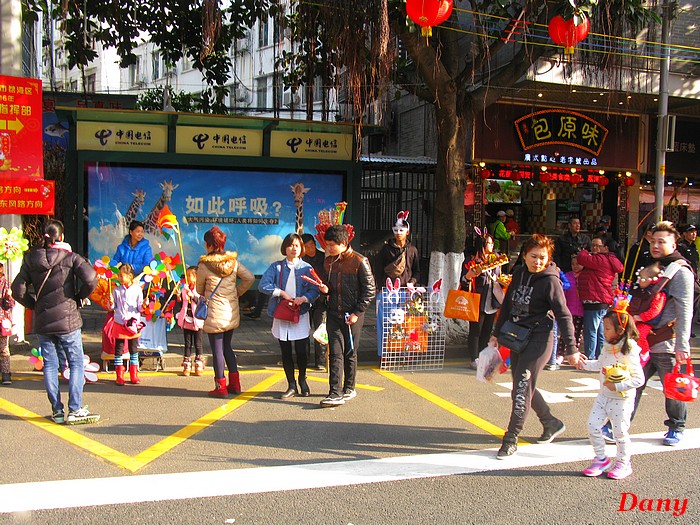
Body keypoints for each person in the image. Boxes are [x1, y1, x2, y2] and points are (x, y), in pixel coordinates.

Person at [490, 234, 581, 459]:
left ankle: (511, 438)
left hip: (540, 339)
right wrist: (495, 334)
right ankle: (551, 422)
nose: (538, 262)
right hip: (517, 336)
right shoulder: (519, 273)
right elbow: (509, 305)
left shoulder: (551, 281)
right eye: (533, 256)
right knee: (522, 386)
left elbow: (564, 314)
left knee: (521, 387)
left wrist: (571, 349)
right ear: (524, 256)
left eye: (543, 257)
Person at [11, 220, 100, 425]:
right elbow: (91, 278)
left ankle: (57, 411)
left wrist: (33, 304)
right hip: (68, 320)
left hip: (43, 320)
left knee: (50, 365)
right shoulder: (70, 258)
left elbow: (18, 290)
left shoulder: (31, 258)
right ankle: (75, 409)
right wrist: (79, 297)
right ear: (61, 237)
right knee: (76, 362)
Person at [627, 221, 693, 446]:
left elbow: (685, 309)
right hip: (641, 338)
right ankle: (618, 423)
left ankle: (677, 426)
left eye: (661, 242)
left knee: (671, 387)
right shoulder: (651, 265)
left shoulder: (680, 271)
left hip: (666, 339)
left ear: (674, 244)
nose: (655, 245)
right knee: (632, 383)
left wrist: (682, 344)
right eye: (653, 241)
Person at [578, 308, 644, 479]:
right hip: (603, 397)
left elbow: (639, 380)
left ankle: (624, 463)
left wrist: (618, 386)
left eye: (607, 328)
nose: (603, 331)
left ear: (620, 331)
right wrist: (583, 363)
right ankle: (601, 459)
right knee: (593, 426)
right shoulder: (607, 348)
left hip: (622, 400)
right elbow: (600, 364)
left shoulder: (630, 350)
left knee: (620, 433)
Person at [317, 225, 375, 407]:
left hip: (353, 315)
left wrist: (357, 313)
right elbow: (328, 286)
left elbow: (370, 290)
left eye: (331, 245)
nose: (328, 248)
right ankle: (335, 392)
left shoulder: (360, 261)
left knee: (350, 352)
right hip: (334, 313)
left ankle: (349, 387)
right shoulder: (328, 262)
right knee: (335, 353)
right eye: (327, 245)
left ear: (343, 243)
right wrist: (325, 291)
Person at [259, 233, 320, 398]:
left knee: (302, 350)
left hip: (300, 313)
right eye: (291, 245)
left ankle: (302, 379)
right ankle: (291, 385)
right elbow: (263, 285)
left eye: (297, 246)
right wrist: (281, 293)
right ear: (285, 247)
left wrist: (304, 298)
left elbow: (315, 289)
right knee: (285, 350)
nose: (294, 248)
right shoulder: (276, 267)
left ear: (302, 249)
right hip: (282, 312)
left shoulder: (307, 268)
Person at [196, 226, 254, 397]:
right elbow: (249, 277)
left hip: (214, 313)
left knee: (217, 350)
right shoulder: (233, 262)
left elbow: (199, 289)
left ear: (208, 245)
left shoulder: (204, 265)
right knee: (227, 347)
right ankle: (235, 384)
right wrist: (237, 292)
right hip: (230, 311)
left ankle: (220, 387)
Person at [460, 233, 504, 369]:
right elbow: (463, 280)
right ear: (482, 245)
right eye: (489, 243)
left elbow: (500, 277)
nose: (492, 246)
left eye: (492, 243)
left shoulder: (497, 259)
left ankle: (482, 356)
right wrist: (468, 276)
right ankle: (474, 358)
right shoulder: (472, 261)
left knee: (487, 330)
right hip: (477, 299)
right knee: (475, 330)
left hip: (492, 299)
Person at [577, 236, 624, 359]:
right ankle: (600, 356)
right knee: (599, 331)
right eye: (592, 245)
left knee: (591, 331)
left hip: (594, 299)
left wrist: (584, 249)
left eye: (598, 245)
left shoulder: (600, 259)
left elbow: (581, 258)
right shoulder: (610, 260)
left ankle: (590, 357)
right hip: (602, 299)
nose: (594, 248)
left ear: (605, 248)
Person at [109, 263, 146, 385]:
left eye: (122, 275)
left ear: (130, 276)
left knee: (133, 349)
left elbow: (140, 308)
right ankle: (119, 374)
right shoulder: (116, 290)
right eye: (118, 275)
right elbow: (113, 307)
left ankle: (133, 373)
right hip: (119, 322)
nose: (119, 278)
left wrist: (144, 305)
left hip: (133, 323)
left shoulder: (137, 290)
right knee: (118, 349)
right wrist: (110, 303)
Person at [628, 262, 667, 365]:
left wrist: (641, 317)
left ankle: (644, 353)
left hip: (646, 321)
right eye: (639, 277)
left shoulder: (657, 293)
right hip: (634, 316)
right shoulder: (638, 289)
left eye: (643, 279)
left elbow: (655, 310)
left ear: (652, 280)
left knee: (640, 334)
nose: (640, 280)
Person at [301, 233, 327, 371]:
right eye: (306, 246)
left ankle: (320, 360)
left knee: (320, 329)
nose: (310, 248)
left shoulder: (324, 257)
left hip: (320, 300)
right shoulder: (301, 260)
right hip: (305, 299)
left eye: (312, 245)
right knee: (304, 330)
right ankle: (304, 359)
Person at [376, 211, 420, 286]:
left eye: (401, 230)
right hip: (389, 289)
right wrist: (380, 287)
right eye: (396, 230)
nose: (398, 233)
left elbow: (417, 271)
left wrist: (412, 283)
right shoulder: (386, 249)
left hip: (407, 290)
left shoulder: (412, 250)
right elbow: (379, 269)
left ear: (407, 232)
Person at [177, 266, 205, 376]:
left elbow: (201, 302)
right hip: (186, 318)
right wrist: (179, 297)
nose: (188, 278)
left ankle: (198, 363)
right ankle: (187, 364)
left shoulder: (199, 289)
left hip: (196, 320)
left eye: (190, 275)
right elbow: (182, 303)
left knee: (198, 343)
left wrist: (192, 296)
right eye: (187, 275)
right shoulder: (185, 288)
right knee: (187, 343)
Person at [0, 262, 15, 385]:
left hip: (2, 320)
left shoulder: (5, 283)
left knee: (4, 348)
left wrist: (8, 297)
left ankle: (5, 373)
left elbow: (10, 304)